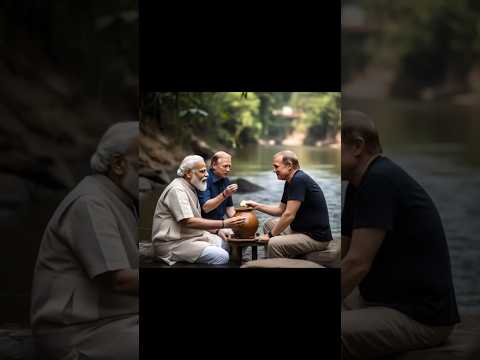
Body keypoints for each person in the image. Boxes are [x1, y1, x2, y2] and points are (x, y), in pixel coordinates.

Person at [340, 110, 459, 359]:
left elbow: (357, 264)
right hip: (381, 302)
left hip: (420, 317)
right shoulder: (356, 185)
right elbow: (345, 256)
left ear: (357, 147)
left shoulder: (380, 181)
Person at [31, 122, 140, 360]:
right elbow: (120, 280)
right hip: (79, 332)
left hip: (118, 319)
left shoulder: (123, 199)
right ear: (119, 165)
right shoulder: (91, 202)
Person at [152, 155, 245, 265]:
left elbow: (198, 219)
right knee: (221, 257)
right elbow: (188, 221)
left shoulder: (192, 187)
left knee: (229, 243)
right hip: (173, 243)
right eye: (202, 171)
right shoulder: (177, 190)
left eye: (206, 171)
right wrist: (223, 224)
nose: (206, 174)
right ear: (188, 173)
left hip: (192, 237)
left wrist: (217, 231)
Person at [245, 150, 332, 258]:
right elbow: (280, 211)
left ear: (289, 166)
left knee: (274, 243)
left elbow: (289, 215)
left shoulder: (299, 180)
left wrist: (269, 236)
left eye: (276, 166)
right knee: (269, 225)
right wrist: (256, 206)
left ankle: (276, 263)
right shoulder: (290, 181)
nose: (274, 170)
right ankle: (273, 259)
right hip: (300, 230)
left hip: (315, 237)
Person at [197, 151, 238, 241]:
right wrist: (224, 194)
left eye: (229, 166)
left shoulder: (226, 180)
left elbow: (229, 208)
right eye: (225, 166)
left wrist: (239, 220)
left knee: (241, 235)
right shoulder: (205, 179)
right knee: (225, 244)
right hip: (205, 226)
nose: (228, 169)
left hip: (221, 224)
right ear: (214, 165)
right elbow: (206, 207)